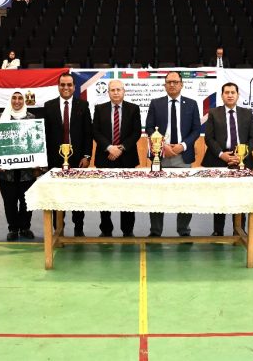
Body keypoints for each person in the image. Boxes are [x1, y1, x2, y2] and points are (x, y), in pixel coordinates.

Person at [145, 71, 201, 237]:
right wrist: (163, 146)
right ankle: (155, 231)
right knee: (157, 195)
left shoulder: (191, 104)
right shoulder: (156, 103)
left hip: (183, 156)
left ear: (181, 84)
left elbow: (196, 130)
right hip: (160, 156)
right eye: (169, 82)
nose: (172, 84)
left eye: (175, 82)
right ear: (164, 85)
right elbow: (149, 128)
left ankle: (183, 230)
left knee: (184, 195)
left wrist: (182, 146)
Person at [202, 82, 253, 236]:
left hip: (243, 160)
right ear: (222, 96)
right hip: (219, 159)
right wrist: (222, 155)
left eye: (233, 92)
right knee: (220, 197)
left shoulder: (247, 113)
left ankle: (239, 230)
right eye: (227, 92)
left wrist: (242, 155)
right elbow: (209, 138)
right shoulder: (214, 113)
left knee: (241, 197)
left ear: (238, 95)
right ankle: (218, 230)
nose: (230, 95)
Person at [43, 73, 93, 236]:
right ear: (58, 86)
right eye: (63, 84)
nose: (66, 87)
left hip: (78, 160)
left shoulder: (83, 105)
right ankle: (58, 230)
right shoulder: (48, 106)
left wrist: (87, 156)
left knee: (77, 196)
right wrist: (44, 160)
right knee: (56, 196)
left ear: (74, 87)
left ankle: (79, 229)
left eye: (69, 85)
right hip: (54, 160)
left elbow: (88, 133)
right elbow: (44, 135)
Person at [92, 80, 141, 237]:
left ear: (124, 91)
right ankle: (106, 229)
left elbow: (136, 132)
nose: (116, 92)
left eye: (118, 89)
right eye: (112, 90)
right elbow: (95, 132)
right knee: (105, 196)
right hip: (105, 157)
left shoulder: (133, 109)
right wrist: (109, 147)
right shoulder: (99, 109)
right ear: (108, 92)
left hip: (127, 158)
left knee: (127, 196)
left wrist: (121, 148)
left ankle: (127, 230)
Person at [0, 91, 39, 242]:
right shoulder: (1, 117)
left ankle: (25, 227)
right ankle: (13, 229)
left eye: (20, 98)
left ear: (24, 101)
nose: (17, 101)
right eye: (14, 98)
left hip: (27, 171)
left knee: (26, 201)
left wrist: (39, 166)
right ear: (10, 100)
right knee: (9, 201)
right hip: (6, 172)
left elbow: (37, 143)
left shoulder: (31, 118)